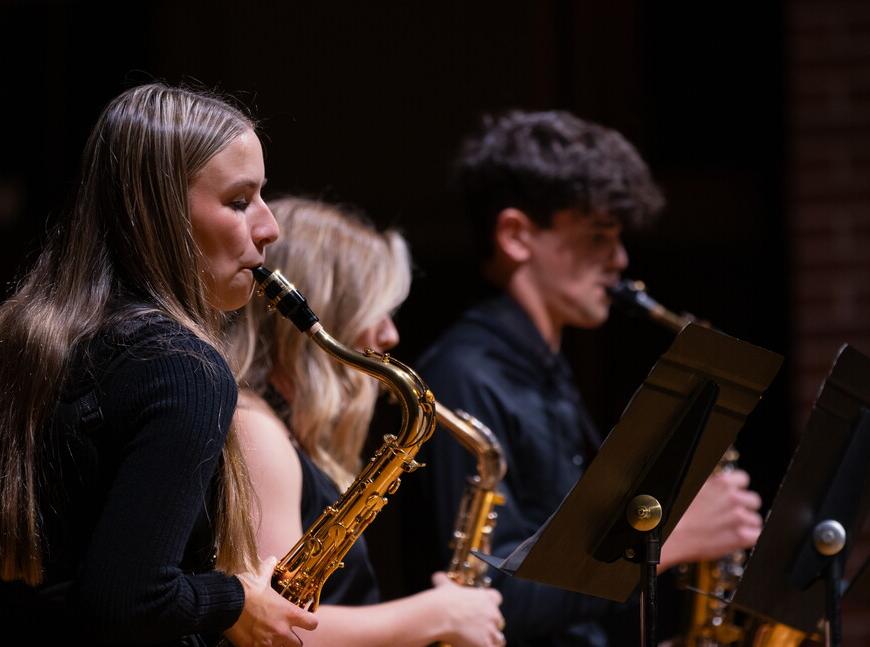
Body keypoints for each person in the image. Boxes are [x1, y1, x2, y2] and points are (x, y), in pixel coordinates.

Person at [402, 110, 765, 646]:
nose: (619, 259)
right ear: (517, 235)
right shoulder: (463, 375)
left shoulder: (550, 372)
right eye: (598, 237)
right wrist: (664, 539)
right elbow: (484, 596)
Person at [0, 83, 318, 646]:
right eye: (240, 202)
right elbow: (128, 599)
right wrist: (238, 598)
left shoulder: (26, 333)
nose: (269, 228)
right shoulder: (183, 368)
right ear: (161, 215)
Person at [230, 196, 506, 647]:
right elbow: (277, 629)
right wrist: (436, 614)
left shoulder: (287, 432)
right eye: (374, 309)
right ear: (327, 311)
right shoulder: (256, 430)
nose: (390, 335)